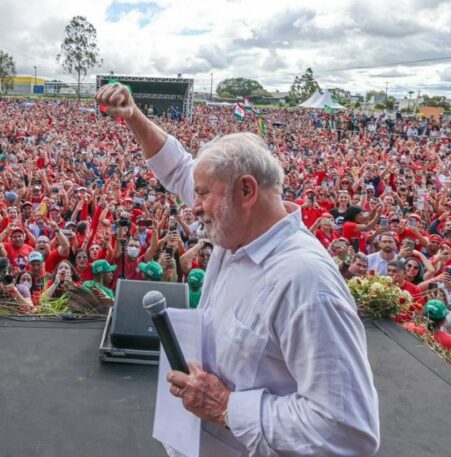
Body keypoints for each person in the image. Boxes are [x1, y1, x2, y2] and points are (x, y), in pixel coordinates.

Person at [97, 82, 378, 456]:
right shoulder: (240, 231)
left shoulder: (305, 283)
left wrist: (227, 406)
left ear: (246, 192)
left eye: (201, 193)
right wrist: (133, 116)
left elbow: (347, 432)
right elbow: (179, 168)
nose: (192, 206)